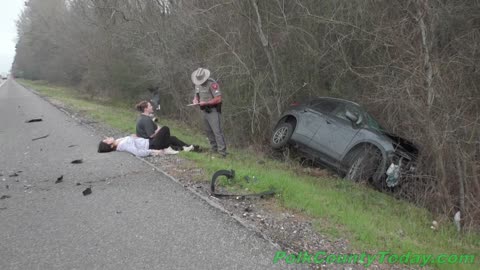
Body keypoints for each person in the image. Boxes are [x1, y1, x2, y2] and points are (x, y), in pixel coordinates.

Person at [191, 67, 227, 157]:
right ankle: (214, 149)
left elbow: (218, 99)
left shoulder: (212, 84)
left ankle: (222, 152)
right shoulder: (197, 85)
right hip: (204, 110)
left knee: (217, 131)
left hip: (213, 110)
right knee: (208, 131)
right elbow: (196, 96)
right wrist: (195, 100)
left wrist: (206, 102)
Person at [97, 135, 179, 157]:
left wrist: (133, 137)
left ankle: (187, 148)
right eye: (107, 141)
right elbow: (138, 153)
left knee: (172, 138)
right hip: (150, 145)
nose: (107, 138)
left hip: (147, 141)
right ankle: (165, 148)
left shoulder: (117, 141)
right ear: (110, 146)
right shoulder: (123, 145)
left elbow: (131, 139)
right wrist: (154, 151)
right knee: (165, 129)